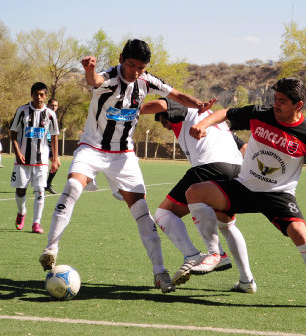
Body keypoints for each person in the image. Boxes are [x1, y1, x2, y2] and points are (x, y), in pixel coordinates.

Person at [38, 39, 215, 294]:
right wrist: (89, 70)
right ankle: (51, 248)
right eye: (132, 65)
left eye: (141, 68)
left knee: (143, 214)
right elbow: (95, 81)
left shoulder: (146, 80)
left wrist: (198, 104)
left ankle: (159, 273)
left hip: (124, 155)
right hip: (93, 148)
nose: (135, 72)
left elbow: (174, 94)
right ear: (121, 59)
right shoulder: (110, 77)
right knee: (72, 187)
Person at [183, 77, 306, 311]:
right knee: (194, 192)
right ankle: (218, 255)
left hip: (277, 194)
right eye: (275, 99)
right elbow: (226, 112)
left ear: (298, 105)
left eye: (283, 101)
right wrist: (203, 124)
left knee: (299, 232)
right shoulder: (260, 113)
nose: (276, 104)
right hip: (244, 187)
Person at [141, 97, 255, 292]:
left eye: (163, 121)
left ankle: (201, 254)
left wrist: (131, 108)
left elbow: (163, 104)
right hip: (237, 170)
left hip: (210, 166)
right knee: (226, 224)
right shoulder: (217, 122)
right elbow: (244, 149)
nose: (166, 127)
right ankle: (246, 281)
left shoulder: (188, 110)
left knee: (163, 214)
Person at [10, 82, 60, 234]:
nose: (39, 97)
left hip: (42, 160)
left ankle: (36, 223)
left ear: (45, 96)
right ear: (31, 94)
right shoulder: (22, 111)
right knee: (20, 190)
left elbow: (54, 135)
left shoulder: (50, 114)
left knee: (40, 191)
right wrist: (18, 153)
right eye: (36, 94)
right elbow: (12, 133)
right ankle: (21, 212)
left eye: (42, 95)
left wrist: (55, 158)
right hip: (23, 159)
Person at [45, 98, 60, 194]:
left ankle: (46, 185)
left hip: (51, 143)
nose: (54, 107)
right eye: (52, 105)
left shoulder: (53, 115)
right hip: (44, 142)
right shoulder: (45, 114)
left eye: (55, 106)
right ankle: (45, 185)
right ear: (48, 105)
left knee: (57, 164)